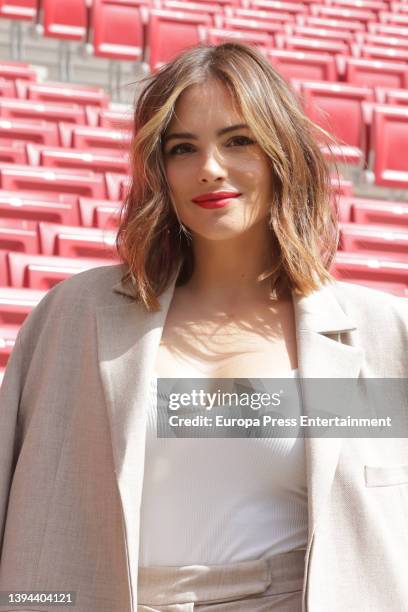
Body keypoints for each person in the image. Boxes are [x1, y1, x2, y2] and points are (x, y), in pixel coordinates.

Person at [0, 42, 407, 612]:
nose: (209, 167)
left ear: (281, 152)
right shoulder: (74, 316)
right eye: (182, 148)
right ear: (158, 169)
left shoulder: (383, 333)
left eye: (238, 140)